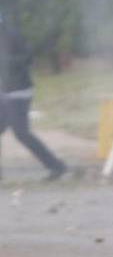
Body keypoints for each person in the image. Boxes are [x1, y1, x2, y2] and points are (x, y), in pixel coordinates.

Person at [0, 10, 65, 180]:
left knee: (21, 133)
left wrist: (6, 62)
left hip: (18, 91)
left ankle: (57, 166)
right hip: (4, 92)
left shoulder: (12, 35)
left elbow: (27, 58)